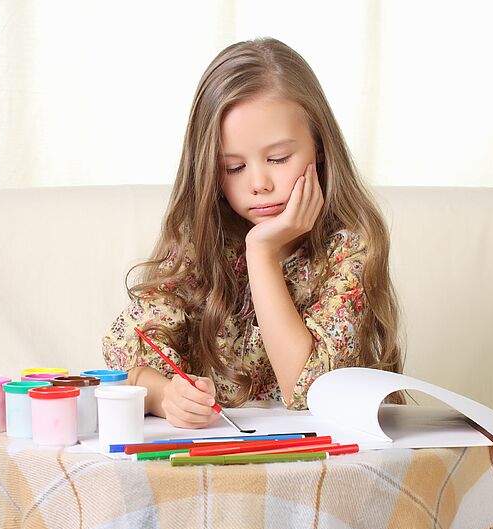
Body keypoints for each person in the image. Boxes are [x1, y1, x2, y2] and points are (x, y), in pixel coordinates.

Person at [102, 37, 406, 429]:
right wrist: (165, 396)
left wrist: (261, 253)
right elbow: (126, 354)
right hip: (214, 460)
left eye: (278, 159)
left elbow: (309, 390)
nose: (259, 183)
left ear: (320, 147)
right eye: (233, 167)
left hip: (321, 460)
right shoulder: (203, 239)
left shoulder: (348, 246)